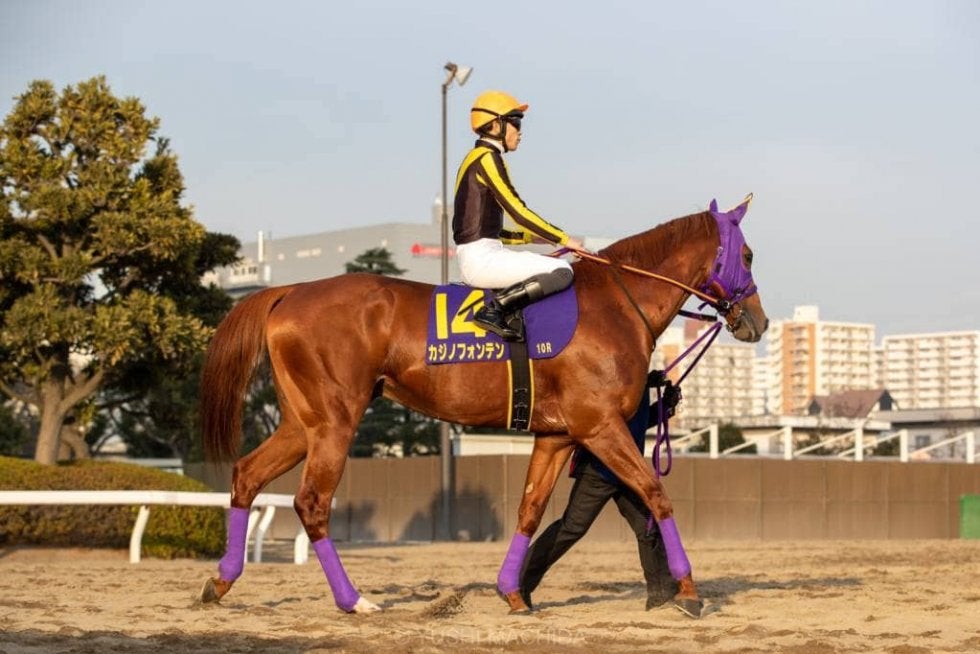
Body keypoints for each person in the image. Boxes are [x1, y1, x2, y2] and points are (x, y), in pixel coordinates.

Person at [519, 383, 680, 610]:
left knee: (648, 528)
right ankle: (519, 582)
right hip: (598, 470)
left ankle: (662, 593)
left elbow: (639, 423)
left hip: (628, 473)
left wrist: (665, 406)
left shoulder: (638, 385)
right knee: (572, 528)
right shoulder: (613, 383)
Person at [452, 90, 584, 340]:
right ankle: (493, 311)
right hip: (482, 259)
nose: (519, 130)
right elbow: (518, 211)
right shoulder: (487, 158)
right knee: (562, 271)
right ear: (494, 125)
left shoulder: (475, 158)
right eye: (515, 121)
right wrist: (564, 239)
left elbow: (487, 228)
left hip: (482, 253)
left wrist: (533, 239)